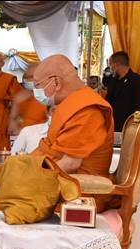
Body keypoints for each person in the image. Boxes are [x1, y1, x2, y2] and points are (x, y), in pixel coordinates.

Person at [31, 54, 114, 210]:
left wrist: (29, 178)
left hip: (78, 191)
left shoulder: (88, 108)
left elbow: (70, 163)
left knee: (2, 203)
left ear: (56, 82)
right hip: (59, 181)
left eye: (37, 86)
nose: (36, 92)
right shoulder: (71, 103)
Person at [105, 51, 140, 133]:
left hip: (128, 125)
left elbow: (139, 106)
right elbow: (108, 101)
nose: (110, 67)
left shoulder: (137, 80)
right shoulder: (112, 80)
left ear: (117, 64)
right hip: (112, 124)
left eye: (110, 64)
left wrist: (133, 125)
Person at [8, 64, 48, 137]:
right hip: (20, 138)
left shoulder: (48, 98)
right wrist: (16, 104)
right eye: (27, 77)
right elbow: (11, 128)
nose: (29, 80)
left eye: (32, 77)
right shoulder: (20, 97)